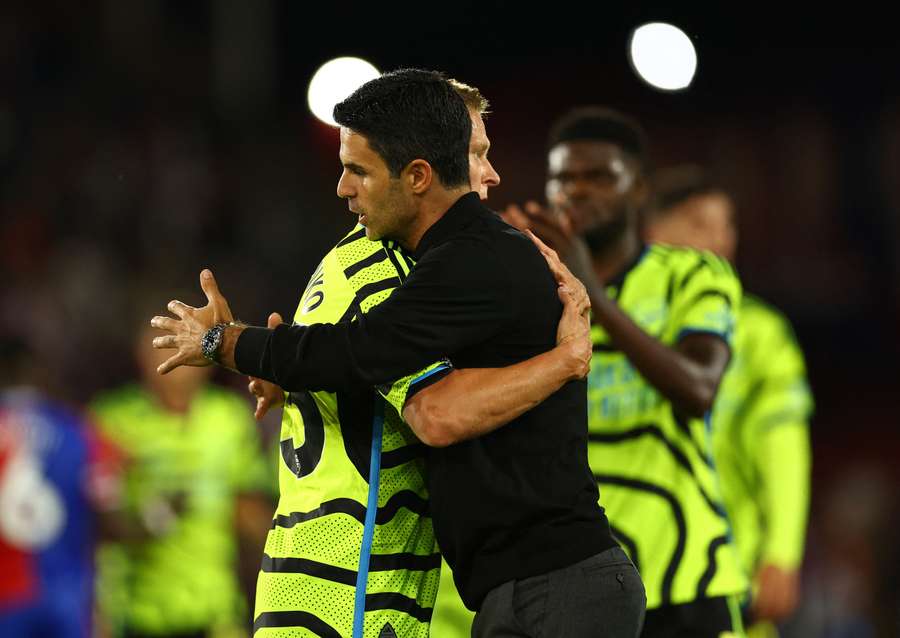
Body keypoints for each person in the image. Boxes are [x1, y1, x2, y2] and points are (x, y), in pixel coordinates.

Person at [151, 69, 646, 637]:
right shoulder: (416, 262)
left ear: (416, 175)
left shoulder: (456, 260)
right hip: (427, 586)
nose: (488, 173)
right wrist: (273, 367)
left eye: (357, 170)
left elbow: (412, 394)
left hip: (525, 584)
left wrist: (225, 344)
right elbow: (362, 357)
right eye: (474, 151)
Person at [502, 107, 748, 637]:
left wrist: (593, 291)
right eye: (564, 178)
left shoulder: (692, 273)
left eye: (599, 177)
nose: (577, 192)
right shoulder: (533, 289)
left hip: (685, 577)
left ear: (638, 190)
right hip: (580, 582)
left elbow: (698, 388)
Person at [644, 165, 814, 638]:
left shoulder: (760, 333)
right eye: (700, 224)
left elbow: (783, 444)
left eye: (727, 224)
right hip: (630, 575)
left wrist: (782, 553)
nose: (720, 239)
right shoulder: (615, 326)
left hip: (729, 574)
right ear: (653, 232)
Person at [90, 314, 272, 638]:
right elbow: (95, 521)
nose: (175, 359)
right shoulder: (111, 420)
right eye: (163, 346)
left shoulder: (229, 419)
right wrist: (149, 521)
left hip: (214, 612)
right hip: (137, 614)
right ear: (141, 355)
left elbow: (249, 508)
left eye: (184, 343)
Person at [0, 335, 122, 638]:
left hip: (6, 596)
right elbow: (108, 511)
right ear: (39, 373)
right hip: (68, 595)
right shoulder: (79, 429)